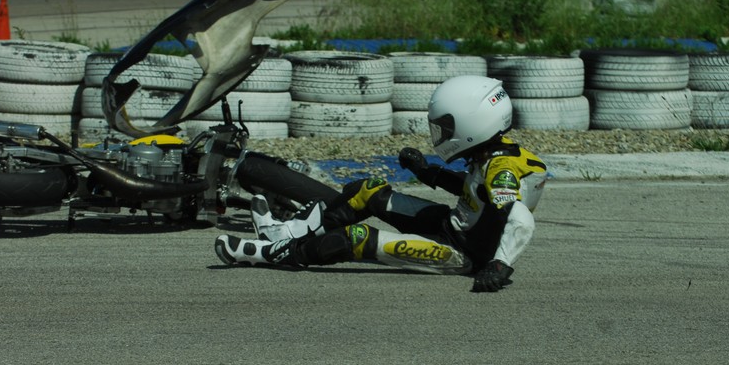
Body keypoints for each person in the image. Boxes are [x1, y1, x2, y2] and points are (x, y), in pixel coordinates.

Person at [214, 75, 548, 293]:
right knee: (369, 189)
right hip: (451, 225)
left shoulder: (502, 169)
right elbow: (475, 190)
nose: (441, 134)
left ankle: (270, 254)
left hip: (461, 254)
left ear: (473, 124)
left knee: (354, 238)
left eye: (447, 127)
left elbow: (520, 219)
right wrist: (426, 172)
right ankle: (284, 232)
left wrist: (500, 265)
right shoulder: (496, 154)